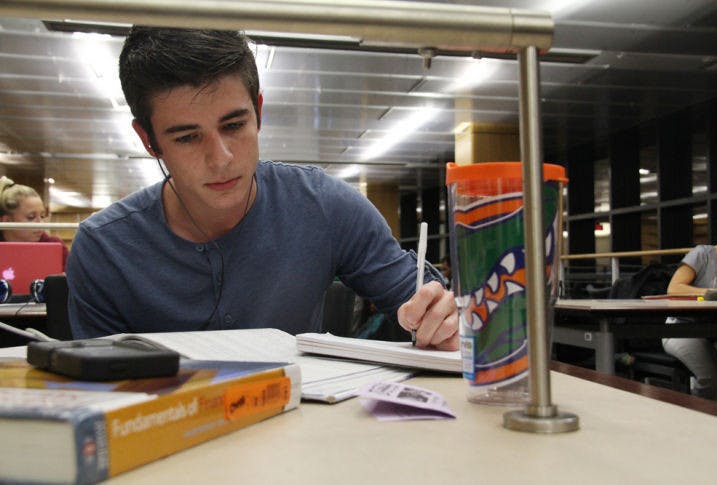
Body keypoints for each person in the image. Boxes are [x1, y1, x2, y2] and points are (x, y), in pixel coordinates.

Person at [66, 27, 458, 350]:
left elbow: (425, 307)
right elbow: (101, 396)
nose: (221, 158)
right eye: (187, 137)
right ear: (149, 141)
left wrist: (440, 317)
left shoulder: (324, 206)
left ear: (258, 111)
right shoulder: (105, 249)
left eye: (234, 125)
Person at [662, 220, 717, 402]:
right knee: (713, 381)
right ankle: (700, 416)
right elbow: (674, 288)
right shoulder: (702, 254)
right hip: (681, 328)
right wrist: (713, 293)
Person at [0, 176, 69, 269]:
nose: (40, 223)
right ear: (7, 221)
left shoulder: (55, 247)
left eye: (42, 216)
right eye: (31, 217)